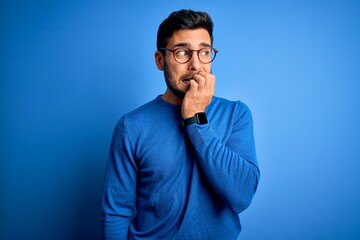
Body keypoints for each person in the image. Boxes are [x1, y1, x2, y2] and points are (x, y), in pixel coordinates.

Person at [102, 9, 260, 239]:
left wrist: (195, 118)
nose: (196, 64)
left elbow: (242, 196)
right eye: (182, 52)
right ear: (160, 60)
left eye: (204, 52)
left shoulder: (236, 114)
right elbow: (116, 212)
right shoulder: (131, 126)